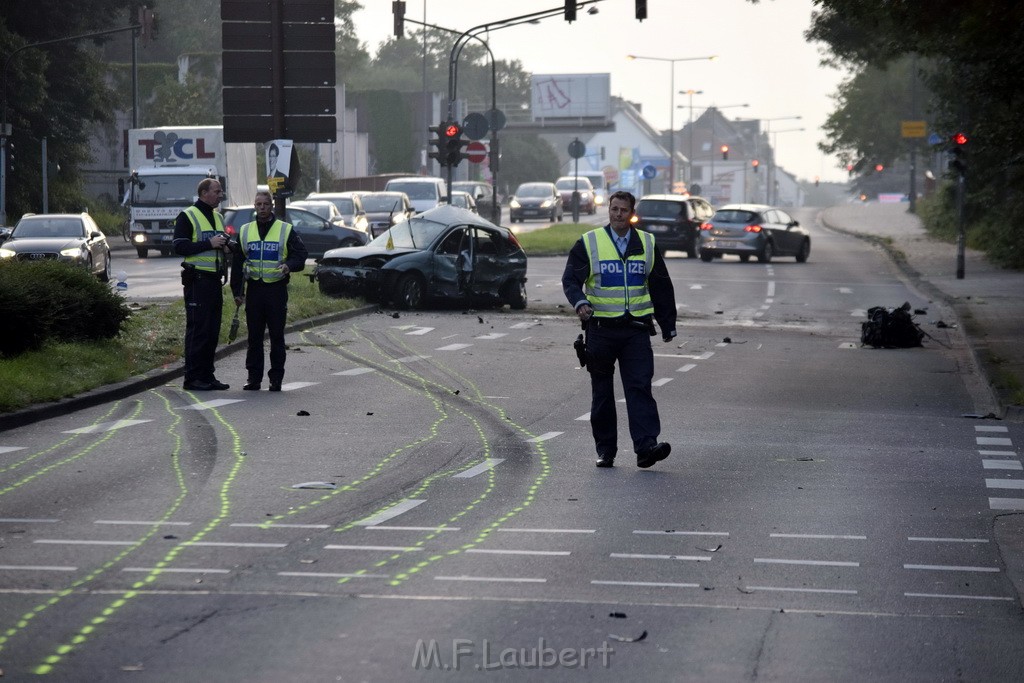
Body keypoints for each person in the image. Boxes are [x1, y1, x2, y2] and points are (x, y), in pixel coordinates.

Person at [562, 190, 677, 468]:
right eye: (614, 209)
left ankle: (646, 447)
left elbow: (661, 285)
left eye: (623, 210)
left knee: (639, 387)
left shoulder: (647, 243)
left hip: (635, 330)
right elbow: (570, 279)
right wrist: (580, 302)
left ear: (631, 213)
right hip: (600, 331)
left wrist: (667, 323)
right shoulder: (590, 242)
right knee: (602, 392)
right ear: (609, 210)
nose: (618, 214)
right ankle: (606, 450)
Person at [230, 191, 308, 391]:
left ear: (272, 206)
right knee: (254, 337)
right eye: (258, 204)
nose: (262, 207)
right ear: (254, 206)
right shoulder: (246, 231)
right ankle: (253, 378)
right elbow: (238, 262)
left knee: (276, 336)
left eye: (265, 204)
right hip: (255, 289)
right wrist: (237, 292)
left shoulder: (285, 229)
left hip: (276, 289)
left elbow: (301, 255)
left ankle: (276, 379)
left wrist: (289, 265)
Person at [173, 178, 231, 391]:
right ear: (204, 193)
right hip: (197, 280)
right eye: (217, 191)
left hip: (214, 280)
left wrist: (226, 248)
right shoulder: (188, 216)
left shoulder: (217, 217)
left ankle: (207, 375)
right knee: (198, 330)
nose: (220, 194)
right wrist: (209, 243)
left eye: (220, 191)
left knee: (212, 331)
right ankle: (192, 378)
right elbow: (179, 246)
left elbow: (219, 243)